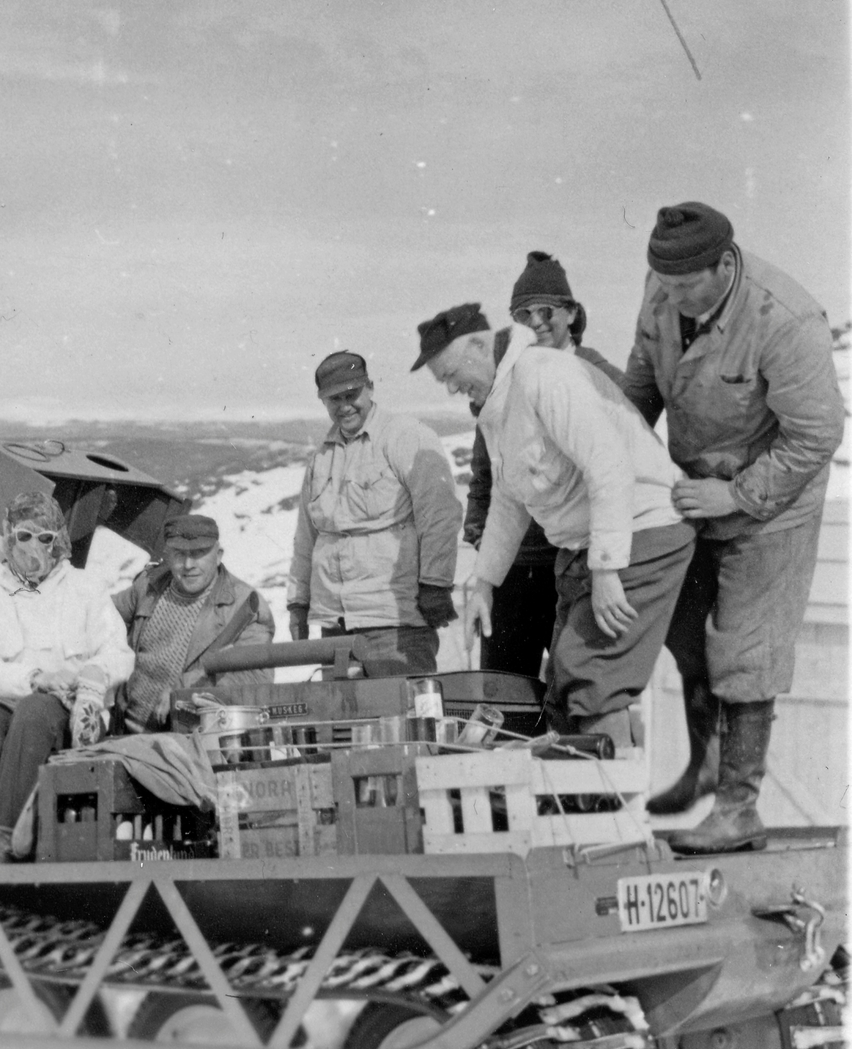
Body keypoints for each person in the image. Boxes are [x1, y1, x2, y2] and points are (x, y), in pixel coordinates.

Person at [622, 202, 844, 853]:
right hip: (696, 485)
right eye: (667, 287)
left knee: (744, 650)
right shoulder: (664, 288)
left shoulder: (785, 317)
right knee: (686, 634)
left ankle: (738, 809)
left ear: (726, 264)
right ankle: (705, 768)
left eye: (690, 287)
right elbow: (641, 386)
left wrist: (739, 494)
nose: (677, 300)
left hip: (775, 496)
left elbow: (817, 435)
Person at [413, 303, 695, 751]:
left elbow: (609, 466)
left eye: (450, 374)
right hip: (587, 546)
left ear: (479, 346)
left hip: (641, 533)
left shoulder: (544, 374)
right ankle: (581, 801)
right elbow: (509, 500)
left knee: (591, 676)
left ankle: (611, 808)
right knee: (563, 683)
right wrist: (485, 583)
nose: (450, 389)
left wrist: (605, 571)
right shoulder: (497, 403)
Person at [0, 490, 134, 865]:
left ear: (58, 540)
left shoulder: (86, 588)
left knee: (33, 715)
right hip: (7, 696)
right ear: (9, 538)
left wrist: (96, 672)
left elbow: (118, 652)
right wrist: (34, 677)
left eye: (44, 538)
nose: (34, 549)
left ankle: (3, 843)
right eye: (23, 537)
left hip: (66, 704)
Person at [463, 252, 626, 677]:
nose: (536, 322)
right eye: (523, 313)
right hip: (516, 564)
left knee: (577, 693)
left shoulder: (598, 373)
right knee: (504, 694)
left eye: (547, 310)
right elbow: (486, 474)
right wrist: (481, 537)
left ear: (571, 314)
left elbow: (618, 467)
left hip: (577, 561)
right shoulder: (504, 378)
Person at [287, 351, 462, 676]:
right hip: (335, 624)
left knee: (406, 718)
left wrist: (436, 584)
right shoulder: (321, 457)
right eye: (333, 399)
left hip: (395, 620)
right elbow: (306, 537)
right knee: (343, 721)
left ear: (369, 387)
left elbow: (439, 514)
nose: (344, 406)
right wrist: (299, 604)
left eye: (351, 395)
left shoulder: (406, 436)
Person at [112, 514, 276, 733]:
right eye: (180, 554)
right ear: (167, 555)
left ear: (218, 556)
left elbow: (251, 679)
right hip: (124, 731)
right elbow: (100, 618)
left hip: (193, 740)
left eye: (198, 554)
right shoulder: (148, 585)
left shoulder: (247, 607)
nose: (188, 565)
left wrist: (182, 692)